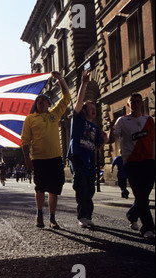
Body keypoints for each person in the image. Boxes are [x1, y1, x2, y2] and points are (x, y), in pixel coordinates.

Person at [21, 71, 70, 229]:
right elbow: (25, 140)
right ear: (36, 104)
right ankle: (39, 214)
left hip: (55, 158)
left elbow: (67, 98)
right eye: (39, 100)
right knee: (40, 188)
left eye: (44, 100)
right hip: (39, 159)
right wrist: (27, 159)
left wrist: (61, 79)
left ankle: (52, 218)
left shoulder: (54, 114)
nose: (41, 102)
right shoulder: (30, 119)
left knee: (54, 190)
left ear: (49, 104)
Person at [109, 93, 155, 239]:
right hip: (131, 163)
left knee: (144, 196)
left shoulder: (149, 120)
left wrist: (154, 159)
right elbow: (111, 139)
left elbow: (153, 141)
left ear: (141, 103)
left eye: (137, 102)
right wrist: (110, 129)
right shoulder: (122, 121)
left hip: (149, 162)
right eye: (132, 102)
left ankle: (131, 214)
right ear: (128, 104)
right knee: (141, 196)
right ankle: (148, 228)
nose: (135, 104)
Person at [67, 70, 108, 228]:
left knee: (90, 189)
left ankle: (88, 216)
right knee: (82, 186)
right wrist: (84, 83)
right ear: (84, 111)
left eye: (95, 108)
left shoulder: (96, 128)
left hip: (90, 162)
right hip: (77, 158)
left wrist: (104, 141)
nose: (94, 110)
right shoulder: (78, 120)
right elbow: (78, 103)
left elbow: (96, 147)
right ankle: (82, 216)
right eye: (91, 107)